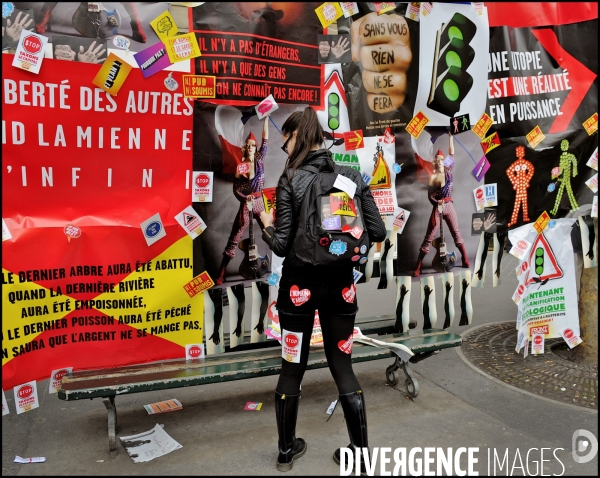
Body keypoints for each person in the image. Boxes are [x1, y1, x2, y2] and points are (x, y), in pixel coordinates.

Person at [259, 107, 386, 473]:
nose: (285, 148)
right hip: (341, 287)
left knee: (291, 367)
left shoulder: (290, 180)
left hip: (298, 287)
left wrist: (266, 223)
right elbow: (376, 232)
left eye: (286, 140)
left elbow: (281, 246)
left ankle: (286, 452)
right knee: (343, 365)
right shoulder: (350, 176)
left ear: (298, 136)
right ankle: (360, 457)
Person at [215, 116, 269, 285]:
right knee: (235, 237)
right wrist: (246, 199)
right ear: (246, 148)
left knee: (270, 231)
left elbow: (265, 139)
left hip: (260, 202)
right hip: (247, 204)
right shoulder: (242, 166)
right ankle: (221, 272)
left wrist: (266, 118)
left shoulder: (260, 160)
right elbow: (236, 189)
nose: (252, 148)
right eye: (250, 146)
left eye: (254, 145)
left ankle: (277, 265)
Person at [413, 132, 469, 276]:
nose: (439, 162)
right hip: (437, 207)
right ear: (434, 162)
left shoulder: (448, 169)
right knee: (429, 236)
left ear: (443, 161)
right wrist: (436, 203)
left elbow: (452, 153)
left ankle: (465, 258)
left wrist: (450, 138)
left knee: (456, 232)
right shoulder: (432, 178)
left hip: (448, 205)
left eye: (441, 159)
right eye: (437, 160)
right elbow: (430, 195)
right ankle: (418, 265)